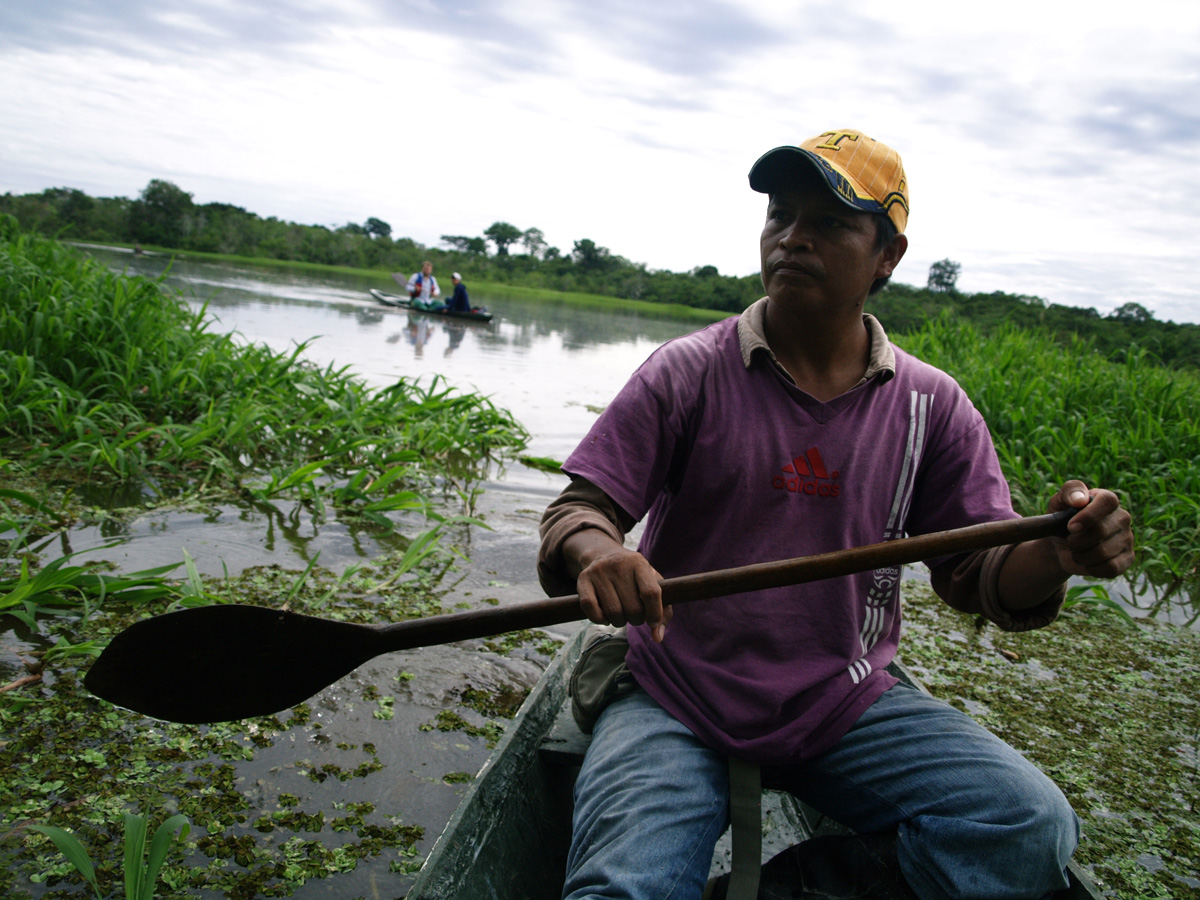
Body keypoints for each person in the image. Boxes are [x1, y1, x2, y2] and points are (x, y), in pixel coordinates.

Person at [537, 128, 1134, 900]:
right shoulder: (688, 372)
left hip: (841, 700)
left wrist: (1058, 551)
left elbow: (977, 575)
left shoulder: (932, 407)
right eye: (781, 216)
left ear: (887, 255)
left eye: (829, 224)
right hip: (676, 690)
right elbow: (580, 510)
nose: (792, 239)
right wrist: (600, 555)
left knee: (1026, 826)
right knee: (622, 890)